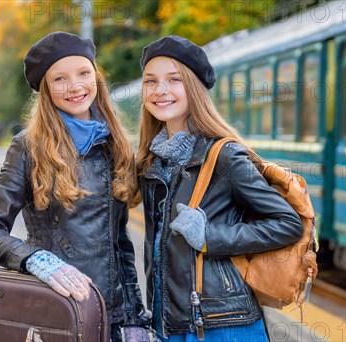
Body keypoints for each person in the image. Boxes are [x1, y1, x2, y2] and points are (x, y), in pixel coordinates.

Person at [0, 32, 150, 342]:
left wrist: (133, 318)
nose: (76, 86)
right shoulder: (28, 147)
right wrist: (36, 260)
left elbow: (120, 245)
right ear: (45, 91)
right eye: (60, 79)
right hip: (53, 310)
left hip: (109, 317)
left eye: (83, 73)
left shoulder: (114, 144)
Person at [135, 35, 303, 341]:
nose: (160, 90)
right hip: (169, 323)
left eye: (174, 79)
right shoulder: (152, 163)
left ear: (194, 88)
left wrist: (210, 236)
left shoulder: (225, 156)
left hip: (222, 325)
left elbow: (288, 224)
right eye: (150, 81)